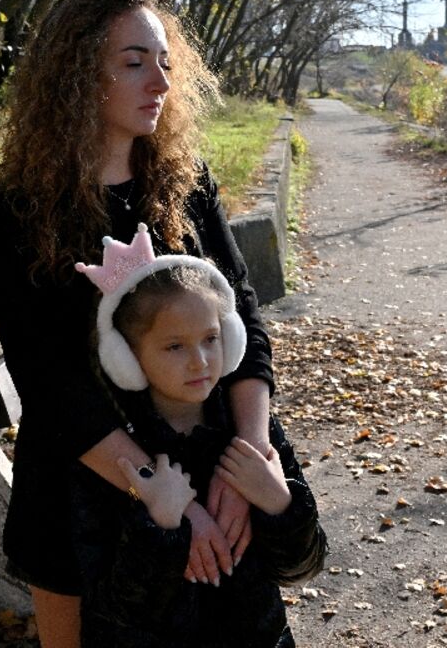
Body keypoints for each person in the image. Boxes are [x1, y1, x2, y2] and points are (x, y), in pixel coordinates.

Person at [0, 0, 276, 647]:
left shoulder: (187, 182)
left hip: (207, 467)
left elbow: (242, 322)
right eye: (134, 62)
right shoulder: (17, 209)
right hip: (77, 493)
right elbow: (48, 381)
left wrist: (246, 461)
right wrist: (167, 500)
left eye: (165, 62)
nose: (160, 82)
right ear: (78, 73)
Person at [69, 227, 326, 647]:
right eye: (175, 346)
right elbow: (116, 611)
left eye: (210, 339)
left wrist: (279, 503)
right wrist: (161, 525)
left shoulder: (248, 433)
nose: (200, 361)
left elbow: (302, 566)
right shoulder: (119, 459)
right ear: (126, 359)